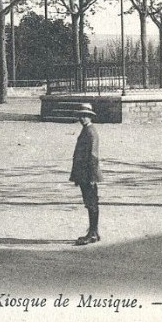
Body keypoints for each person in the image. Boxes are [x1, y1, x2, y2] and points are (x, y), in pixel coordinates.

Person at [68, 103, 101, 246]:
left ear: (90, 117)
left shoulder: (91, 132)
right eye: (80, 116)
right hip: (83, 173)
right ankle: (94, 231)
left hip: (88, 174)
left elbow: (93, 156)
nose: (82, 118)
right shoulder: (86, 130)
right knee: (89, 202)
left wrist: (93, 177)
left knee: (91, 202)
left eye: (85, 116)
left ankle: (92, 233)